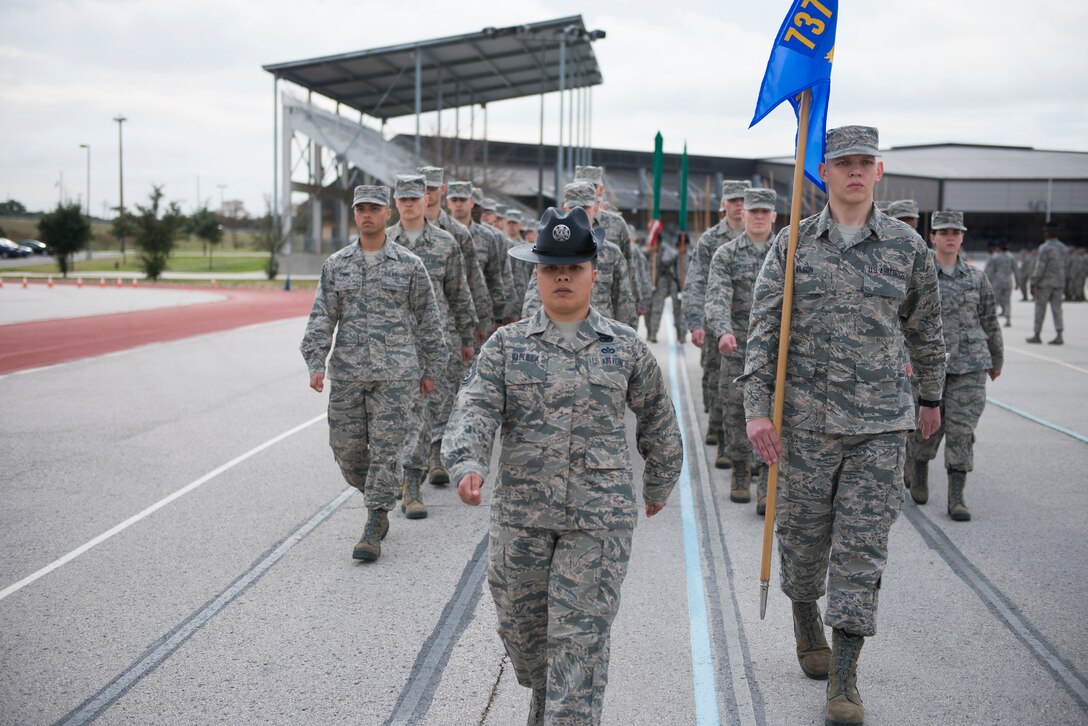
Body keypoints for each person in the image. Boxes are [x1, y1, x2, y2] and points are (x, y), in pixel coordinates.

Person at [443, 207, 683, 726]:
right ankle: (545, 696)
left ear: (594, 272)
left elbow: (659, 418)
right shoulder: (507, 346)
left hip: (599, 523)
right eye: (552, 268)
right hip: (522, 519)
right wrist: (468, 462)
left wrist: (661, 478)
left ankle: (563, 713)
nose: (563, 277)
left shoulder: (624, 347)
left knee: (579, 646)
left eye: (574, 267)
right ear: (537, 274)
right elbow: (476, 407)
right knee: (528, 642)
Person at [742, 126, 945, 726]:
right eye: (842, 163)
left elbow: (926, 330)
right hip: (803, 425)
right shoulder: (793, 245)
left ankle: (845, 675)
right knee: (803, 542)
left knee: (861, 548)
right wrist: (757, 408)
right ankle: (805, 614)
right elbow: (763, 328)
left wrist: (931, 398)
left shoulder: (908, 248)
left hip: (880, 426)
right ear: (822, 173)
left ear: (879, 172)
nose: (855, 172)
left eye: (865, 163)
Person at [299, 185, 447, 561]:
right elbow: (321, 317)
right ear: (355, 214)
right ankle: (382, 490)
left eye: (374, 208)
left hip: (396, 375)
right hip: (348, 373)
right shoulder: (336, 265)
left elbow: (429, 320)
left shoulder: (410, 265)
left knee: (384, 451)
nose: (367, 214)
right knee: (346, 451)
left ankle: (374, 522)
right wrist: (316, 361)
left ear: (387, 215)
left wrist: (431, 368)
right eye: (360, 208)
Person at [387, 174, 477, 517]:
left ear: (426, 200)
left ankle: (412, 485)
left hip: (432, 344)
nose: (409, 204)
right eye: (403, 198)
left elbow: (459, 293)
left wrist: (467, 337)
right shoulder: (382, 243)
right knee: (394, 418)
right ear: (395, 203)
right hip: (390, 347)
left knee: (424, 413)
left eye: (415, 198)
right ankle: (395, 476)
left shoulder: (445, 243)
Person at [909, 211, 1002, 520]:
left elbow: (990, 320)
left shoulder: (977, 278)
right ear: (932, 237)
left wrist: (996, 358)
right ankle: (920, 466)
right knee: (926, 430)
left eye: (956, 232)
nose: (950, 236)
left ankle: (956, 496)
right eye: (943, 231)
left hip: (971, 366)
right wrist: (905, 359)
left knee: (962, 430)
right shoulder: (920, 275)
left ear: (962, 237)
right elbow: (904, 322)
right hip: (929, 367)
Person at [704, 187, 777, 509]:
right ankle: (740, 469)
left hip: (777, 352)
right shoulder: (727, 254)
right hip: (738, 349)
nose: (759, 217)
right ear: (742, 214)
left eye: (765, 211)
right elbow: (716, 296)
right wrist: (722, 331)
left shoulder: (788, 254)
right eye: (753, 211)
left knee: (773, 415)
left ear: (774, 216)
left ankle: (765, 479)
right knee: (735, 413)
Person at [684, 179, 750, 464]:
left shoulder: (762, 238)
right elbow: (697, 281)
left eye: (743, 201)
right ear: (724, 204)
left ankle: (737, 441)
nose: (739, 206)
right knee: (716, 379)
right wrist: (695, 321)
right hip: (716, 323)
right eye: (733, 200)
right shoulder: (711, 239)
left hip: (747, 326)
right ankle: (720, 429)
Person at [521, 182, 637, 326]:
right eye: (573, 207)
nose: (580, 212)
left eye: (585, 208)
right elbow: (535, 292)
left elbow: (623, 297)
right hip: (555, 330)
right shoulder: (551, 251)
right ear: (565, 209)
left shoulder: (612, 252)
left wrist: (624, 335)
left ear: (595, 209)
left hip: (600, 332)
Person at [446, 181, 511, 332]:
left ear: (471, 202)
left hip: (478, 315)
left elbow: (494, 277)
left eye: (462, 200)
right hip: (445, 315)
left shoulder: (487, 237)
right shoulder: (438, 234)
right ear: (448, 203)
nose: (458, 204)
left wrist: (499, 315)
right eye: (454, 200)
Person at [1027, 220, 1068, 345]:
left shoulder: (1045, 248)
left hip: (1045, 283)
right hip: (1059, 283)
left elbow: (1040, 267)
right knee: (1057, 309)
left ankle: (1037, 334)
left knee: (1040, 309)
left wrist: (1033, 282)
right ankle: (1059, 334)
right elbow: (1065, 266)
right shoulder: (1063, 248)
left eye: (1046, 232)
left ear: (1049, 233)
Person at [646, 231, 685, 343]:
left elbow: (669, 258)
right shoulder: (651, 253)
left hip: (672, 281)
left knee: (677, 308)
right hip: (659, 282)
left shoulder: (666, 250)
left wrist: (659, 254)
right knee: (656, 308)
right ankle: (653, 333)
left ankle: (680, 333)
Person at [983, 238, 1015, 327]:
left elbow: (990, 271)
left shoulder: (995, 257)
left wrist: (985, 282)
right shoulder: (1011, 257)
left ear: (998, 247)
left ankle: (992, 320)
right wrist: (1019, 282)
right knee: (1007, 301)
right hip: (1008, 282)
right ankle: (1008, 319)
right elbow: (1016, 270)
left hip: (998, 282)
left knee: (994, 301)